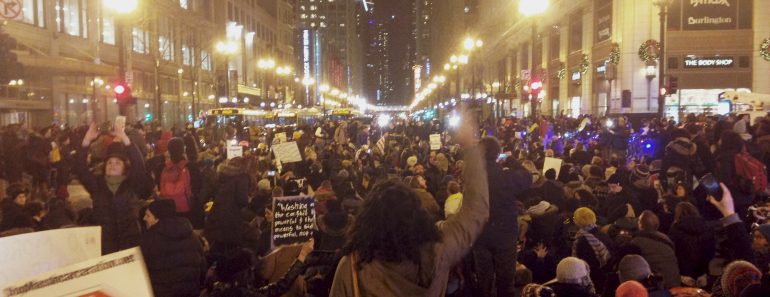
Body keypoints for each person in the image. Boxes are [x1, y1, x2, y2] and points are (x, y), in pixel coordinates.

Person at [329, 113, 489, 296]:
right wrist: (470, 147)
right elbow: (476, 211)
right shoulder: (437, 252)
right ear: (417, 216)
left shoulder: (351, 267)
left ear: (367, 221)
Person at [74, 122, 153, 254]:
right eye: (109, 162)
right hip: (105, 244)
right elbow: (80, 169)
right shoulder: (97, 185)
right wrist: (86, 141)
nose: (112, 165)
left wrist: (126, 140)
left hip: (130, 243)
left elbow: (139, 167)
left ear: (124, 167)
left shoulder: (130, 184)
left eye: (117, 163)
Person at [474, 137, 532, 297]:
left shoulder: (472, 178)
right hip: (504, 232)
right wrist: (511, 160)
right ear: (497, 153)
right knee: (505, 277)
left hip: (481, 232)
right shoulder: (505, 176)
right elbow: (528, 177)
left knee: (483, 276)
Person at [140, 199, 205, 297]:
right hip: (191, 292)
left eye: (148, 215)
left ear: (158, 218)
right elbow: (202, 265)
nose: (144, 218)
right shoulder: (191, 235)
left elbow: (143, 272)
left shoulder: (148, 239)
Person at [629, 211, 680, 289]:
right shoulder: (666, 238)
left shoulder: (636, 242)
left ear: (640, 225)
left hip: (658, 287)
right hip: (675, 283)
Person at [572, 207, 613, 290]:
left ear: (578, 221)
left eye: (574, 218)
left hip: (593, 281)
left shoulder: (581, 240)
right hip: (607, 278)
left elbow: (580, 265)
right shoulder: (603, 234)